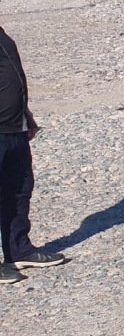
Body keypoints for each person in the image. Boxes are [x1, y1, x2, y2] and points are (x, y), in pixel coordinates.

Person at [0, 26, 66, 284]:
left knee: (18, 190)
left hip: (13, 127)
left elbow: (11, 73)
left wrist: (24, 114)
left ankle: (18, 250)